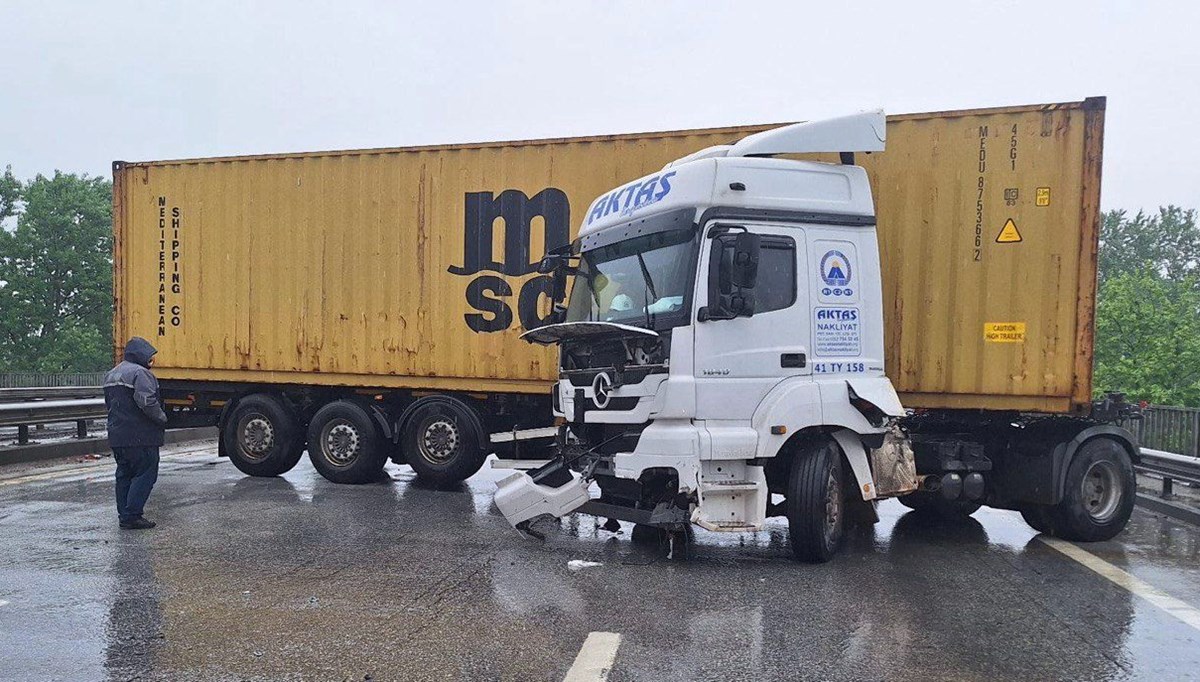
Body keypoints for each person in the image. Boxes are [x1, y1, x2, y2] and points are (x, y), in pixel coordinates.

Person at [103, 337, 167, 530]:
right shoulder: (141, 374)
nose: (151, 361)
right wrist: (162, 418)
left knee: (124, 474)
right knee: (145, 473)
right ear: (140, 355)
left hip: (117, 435)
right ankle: (133, 515)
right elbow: (146, 402)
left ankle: (124, 515)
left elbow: (109, 404)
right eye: (149, 357)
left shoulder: (111, 374)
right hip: (141, 435)